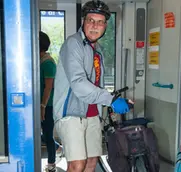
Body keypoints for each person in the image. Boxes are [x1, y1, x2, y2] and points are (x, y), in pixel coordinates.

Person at [53, 1, 133, 172]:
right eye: (91, 20)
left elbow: (95, 85)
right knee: (77, 164)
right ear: (83, 21)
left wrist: (112, 101)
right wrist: (111, 100)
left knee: (91, 161)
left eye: (100, 22)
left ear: (105, 26)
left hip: (92, 114)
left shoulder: (98, 51)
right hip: (71, 114)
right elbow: (79, 83)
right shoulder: (73, 44)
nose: (95, 26)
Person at [39, 31, 63, 172]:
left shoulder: (48, 62)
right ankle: (57, 147)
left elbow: (48, 87)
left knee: (47, 134)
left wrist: (42, 106)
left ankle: (51, 163)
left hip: (48, 105)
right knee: (39, 133)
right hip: (40, 104)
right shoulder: (39, 60)